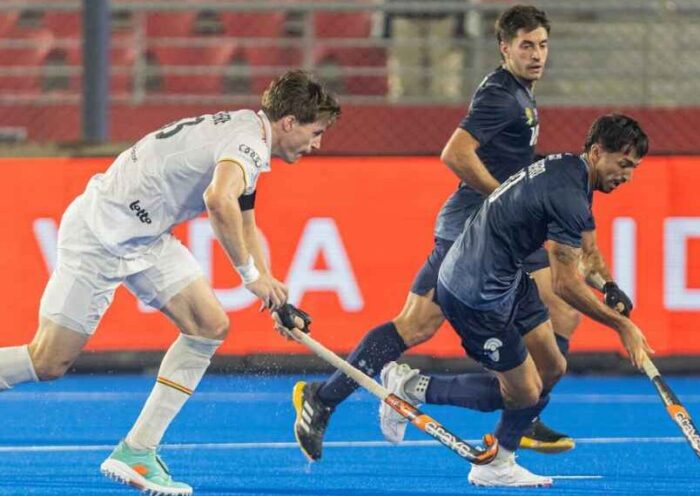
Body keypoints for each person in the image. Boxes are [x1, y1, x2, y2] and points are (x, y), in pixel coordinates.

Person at [0, 70, 340, 496]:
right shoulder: (248, 144)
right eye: (315, 132)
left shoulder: (249, 133)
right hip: (99, 235)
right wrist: (250, 276)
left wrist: (273, 292)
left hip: (145, 238)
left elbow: (245, 219)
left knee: (209, 325)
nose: (317, 144)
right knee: (48, 362)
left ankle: (138, 451)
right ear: (289, 122)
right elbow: (218, 201)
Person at [289, 4, 583, 464]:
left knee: (562, 307)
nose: (537, 54)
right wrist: (505, 200)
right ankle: (324, 398)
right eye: (526, 46)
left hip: (501, 233)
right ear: (504, 48)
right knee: (417, 325)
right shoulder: (501, 96)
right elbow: (455, 153)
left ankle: (524, 412)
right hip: (472, 230)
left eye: (542, 45)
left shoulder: (521, 94)